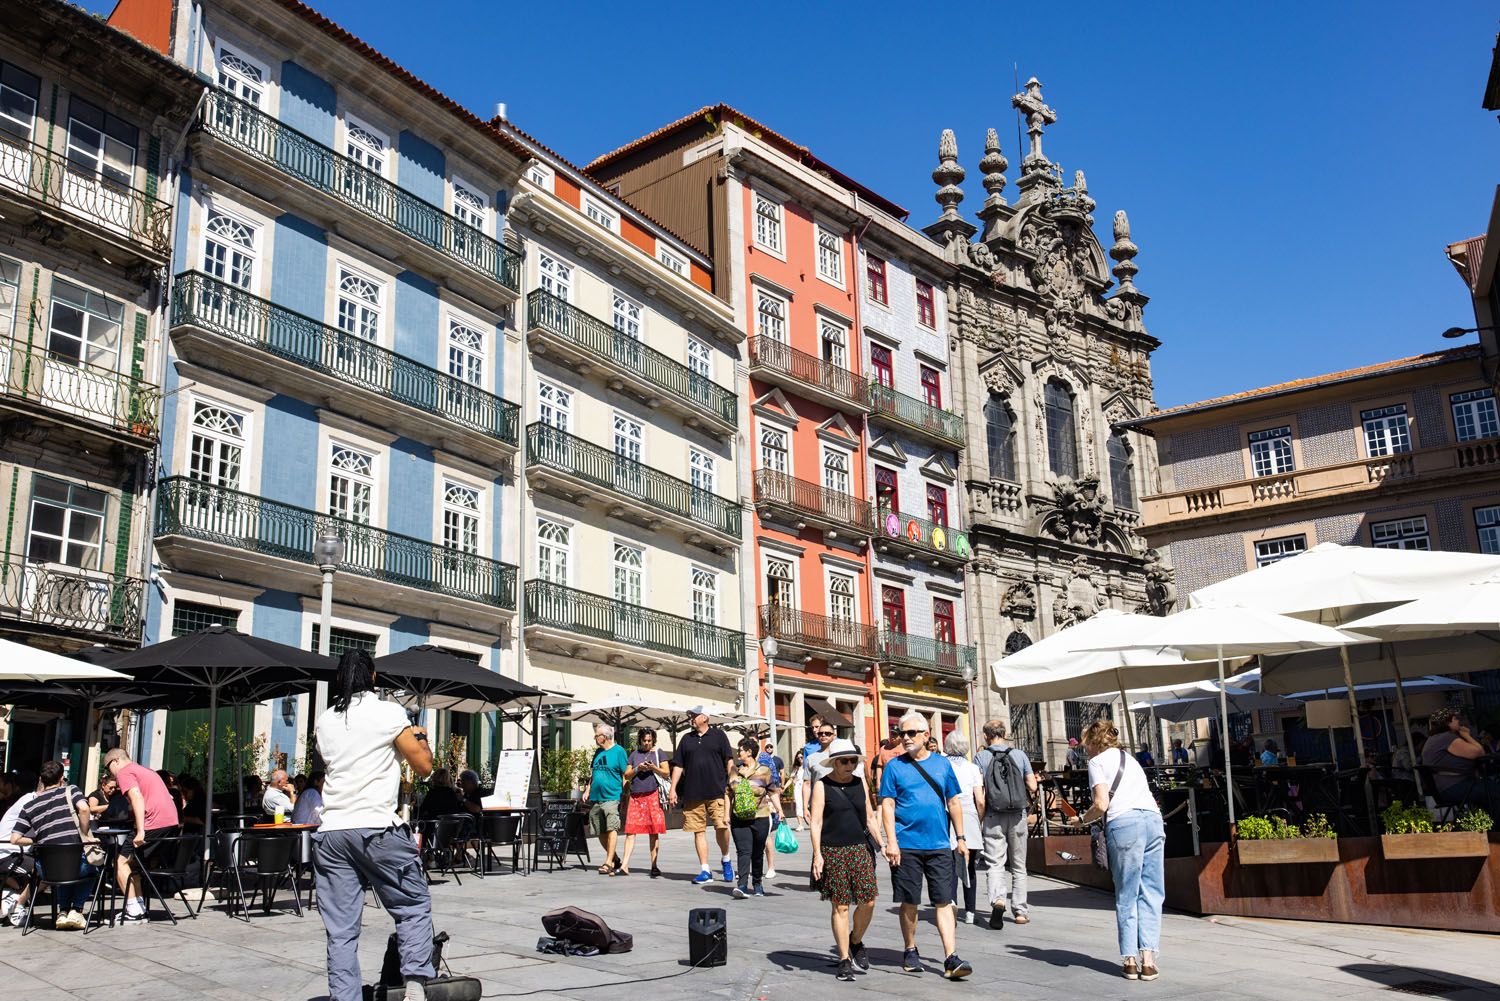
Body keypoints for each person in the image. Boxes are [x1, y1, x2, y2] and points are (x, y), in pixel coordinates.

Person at [313, 649, 435, 1001]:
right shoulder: (388, 712)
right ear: (374, 677)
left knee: (340, 930)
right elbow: (424, 767)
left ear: (339, 680)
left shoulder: (325, 720)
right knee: (412, 904)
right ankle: (414, 985)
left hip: (333, 830)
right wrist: (419, 735)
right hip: (376, 827)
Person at [879, 712, 972, 980]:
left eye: (910, 734)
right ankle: (910, 949)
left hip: (940, 844)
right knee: (909, 902)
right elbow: (887, 804)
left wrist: (962, 838)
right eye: (901, 733)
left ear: (926, 735)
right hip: (906, 844)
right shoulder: (895, 767)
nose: (904, 738)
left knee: (944, 901)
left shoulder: (943, 766)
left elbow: (953, 802)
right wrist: (891, 842)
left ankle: (950, 957)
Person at [1077, 719, 1164, 982]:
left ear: (1094, 742)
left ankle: (1129, 960)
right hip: (1153, 820)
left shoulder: (1096, 763)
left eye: (1086, 746)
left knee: (1127, 891)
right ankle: (1148, 961)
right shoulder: (1131, 759)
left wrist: (1082, 819)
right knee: (1151, 891)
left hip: (1125, 823)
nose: (1085, 751)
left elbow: (1101, 804)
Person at [810, 739, 883, 982]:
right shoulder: (822, 785)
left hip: (860, 849)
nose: (850, 765)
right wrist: (817, 854)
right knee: (840, 906)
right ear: (834, 763)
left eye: (853, 760)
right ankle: (844, 959)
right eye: (845, 761)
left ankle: (855, 940)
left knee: (868, 901)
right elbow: (816, 822)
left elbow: (870, 817)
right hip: (832, 850)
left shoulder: (860, 783)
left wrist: (883, 845)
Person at [8, 760, 96, 930]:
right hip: (75, 865)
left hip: (47, 870)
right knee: (93, 866)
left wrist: (37, 840)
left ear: (41, 779)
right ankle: (76, 910)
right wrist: (84, 835)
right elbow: (85, 809)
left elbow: (14, 839)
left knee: (62, 868)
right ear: (62, 778)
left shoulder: (29, 806)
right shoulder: (71, 791)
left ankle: (63, 912)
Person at [103, 748, 179, 924]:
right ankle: (138, 907)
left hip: (154, 823)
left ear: (115, 761)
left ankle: (134, 910)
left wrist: (141, 830)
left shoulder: (124, 772)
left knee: (119, 862)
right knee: (133, 863)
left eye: (108, 768)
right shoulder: (145, 770)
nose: (110, 773)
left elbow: (137, 798)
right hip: (170, 823)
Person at [977, 719, 1037, 929]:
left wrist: (980, 817)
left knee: (995, 863)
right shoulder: (1019, 755)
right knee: (1019, 865)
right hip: (1018, 815)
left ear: (986, 736)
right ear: (1004, 733)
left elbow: (980, 793)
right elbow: (1032, 785)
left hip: (994, 815)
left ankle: (998, 900)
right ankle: (1020, 911)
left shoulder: (981, 756)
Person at [669, 707, 735, 886]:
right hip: (693, 793)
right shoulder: (686, 739)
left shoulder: (719, 736)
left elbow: (729, 760)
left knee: (722, 827)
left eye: (693, 715)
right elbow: (678, 766)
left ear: (705, 717)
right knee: (698, 831)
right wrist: (673, 788)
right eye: (689, 715)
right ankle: (705, 869)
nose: (690, 718)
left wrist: (733, 783)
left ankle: (726, 859)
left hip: (717, 790)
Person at [1422, 708, 1500, 815]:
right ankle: (1495, 829)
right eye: (1455, 718)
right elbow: (1479, 752)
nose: (1458, 721)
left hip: (1447, 787)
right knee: (1495, 790)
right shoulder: (1446, 738)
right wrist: (1467, 735)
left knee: (1489, 790)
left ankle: (1489, 825)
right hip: (1455, 787)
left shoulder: (1435, 738)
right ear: (1447, 722)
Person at [943, 732, 985, 924]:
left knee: (949, 864)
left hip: (947, 814)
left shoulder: (943, 765)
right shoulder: (973, 768)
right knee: (970, 866)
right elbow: (981, 801)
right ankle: (970, 912)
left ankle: (951, 902)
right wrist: (979, 820)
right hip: (969, 814)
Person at [728, 737, 777, 898]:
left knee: (757, 852)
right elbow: (728, 793)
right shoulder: (735, 770)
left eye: (740, 750)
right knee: (743, 851)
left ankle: (757, 883)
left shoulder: (764, 771)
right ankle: (742, 885)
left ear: (749, 752)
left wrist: (780, 810)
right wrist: (724, 815)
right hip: (739, 817)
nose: (738, 753)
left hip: (760, 816)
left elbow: (772, 791)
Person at [621, 728, 668, 878]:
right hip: (636, 796)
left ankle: (654, 865)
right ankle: (624, 865)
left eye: (649, 740)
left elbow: (666, 772)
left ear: (653, 740)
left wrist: (653, 767)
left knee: (653, 832)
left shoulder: (659, 752)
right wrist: (637, 768)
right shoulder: (634, 754)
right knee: (630, 831)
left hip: (653, 795)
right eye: (644, 740)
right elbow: (627, 774)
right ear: (640, 740)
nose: (647, 743)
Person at [587, 723, 628, 875]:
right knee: (599, 830)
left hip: (612, 796)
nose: (595, 738)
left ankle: (608, 862)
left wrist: (625, 794)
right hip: (596, 798)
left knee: (612, 828)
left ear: (605, 737)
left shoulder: (619, 752)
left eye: (597, 735)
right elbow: (594, 773)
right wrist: (588, 788)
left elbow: (626, 774)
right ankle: (616, 858)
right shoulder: (598, 752)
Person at [0, 772, 38, 926]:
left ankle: (13, 894)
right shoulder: (28, 802)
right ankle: (17, 899)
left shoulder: (15, 801)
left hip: (10, 851)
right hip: (8, 853)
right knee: (47, 869)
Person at [757, 740, 784, 879]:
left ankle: (771, 867)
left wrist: (778, 809)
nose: (763, 765)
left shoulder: (772, 778)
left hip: (767, 810)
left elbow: (774, 793)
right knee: (756, 839)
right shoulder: (756, 773)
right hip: (756, 809)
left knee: (766, 837)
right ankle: (757, 868)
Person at [790, 750, 808, 831]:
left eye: (801, 757)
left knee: (808, 805)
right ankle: (800, 824)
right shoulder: (796, 768)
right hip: (798, 787)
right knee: (798, 805)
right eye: (798, 758)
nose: (800, 759)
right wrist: (783, 787)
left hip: (807, 787)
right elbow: (791, 779)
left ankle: (812, 822)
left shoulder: (808, 766)